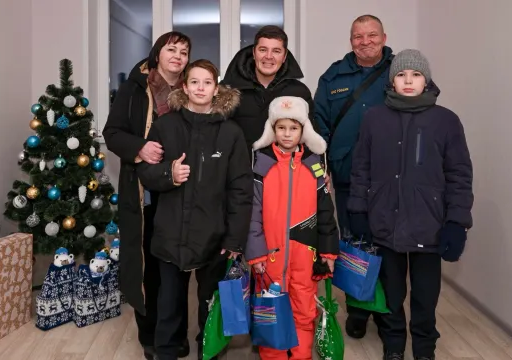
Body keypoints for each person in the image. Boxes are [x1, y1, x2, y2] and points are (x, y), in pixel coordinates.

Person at [348, 49, 474, 360]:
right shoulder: (374, 118)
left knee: (425, 296)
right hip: (383, 222)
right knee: (391, 293)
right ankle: (393, 347)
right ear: (392, 81)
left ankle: (424, 349)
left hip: (428, 225)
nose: (408, 81)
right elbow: (360, 167)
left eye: (415, 75)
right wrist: (358, 210)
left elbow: (459, 174)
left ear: (426, 80)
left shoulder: (446, 120)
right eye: (402, 75)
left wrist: (457, 222)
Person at [136, 59, 253, 360]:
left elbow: (241, 190)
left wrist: (234, 239)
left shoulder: (232, 134)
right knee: (169, 304)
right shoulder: (165, 126)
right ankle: (167, 351)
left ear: (216, 89)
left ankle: (209, 351)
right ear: (184, 87)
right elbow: (146, 173)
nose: (200, 87)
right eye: (194, 82)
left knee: (209, 304)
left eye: (207, 82)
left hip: (214, 237)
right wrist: (168, 175)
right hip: (170, 234)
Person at [102, 31, 192, 360]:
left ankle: (176, 334)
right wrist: (140, 147)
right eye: (172, 49)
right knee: (147, 269)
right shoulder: (136, 87)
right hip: (144, 198)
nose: (178, 56)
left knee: (178, 271)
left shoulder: (189, 89)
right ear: (158, 53)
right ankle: (150, 335)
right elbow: (111, 133)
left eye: (184, 51)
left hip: (181, 195)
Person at [313, 14, 393, 338]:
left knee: (388, 248)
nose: (365, 41)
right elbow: (318, 129)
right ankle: (358, 311)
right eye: (358, 37)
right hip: (346, 178)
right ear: (351, 41)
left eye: (371, 35)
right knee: (353, 246)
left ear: (384, 38)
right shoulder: (333, 76)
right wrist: (322, 171)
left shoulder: (400, 73)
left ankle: (388, 316)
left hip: (391, 180)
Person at [246, 96, 340, 360]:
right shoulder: (261, 164)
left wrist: (328, 253)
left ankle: (301, 356)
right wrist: (256, 253)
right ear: (272, 129)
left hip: (304, 257)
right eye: (281, 127)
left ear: (303, 130)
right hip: (270, 258)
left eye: (294, 128)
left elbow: (326, 213)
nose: (287, 134)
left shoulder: (314, 165)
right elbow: (252, 213)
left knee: (304, 310)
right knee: (271, 312)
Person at [222, 25, 317, 154]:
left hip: (286, 171)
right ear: (254, 53)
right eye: (263, 50)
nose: (268, 56)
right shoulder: (229, 90)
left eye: (276, 51)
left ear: (284, 56)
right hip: (240, 171)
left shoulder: (299, 92)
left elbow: (311, 139)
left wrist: (318, 170)